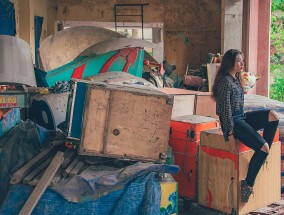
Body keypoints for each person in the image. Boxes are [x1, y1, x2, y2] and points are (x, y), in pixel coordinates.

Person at [211, 49, 279, 203]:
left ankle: (263, 154)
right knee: (264, 148)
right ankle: (248, 185)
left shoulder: (235, 79)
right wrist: (229, 134)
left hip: (242, 117)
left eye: (242, 60)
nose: (242, 63)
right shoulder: (224, 82)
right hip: (234, 122)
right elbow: (224, 110)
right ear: (230, 62)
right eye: (238, 61)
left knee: (273, 116)